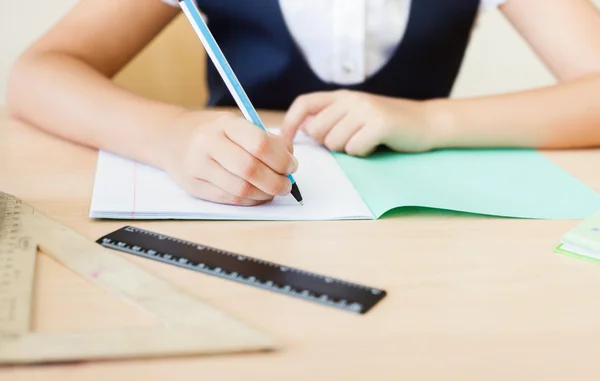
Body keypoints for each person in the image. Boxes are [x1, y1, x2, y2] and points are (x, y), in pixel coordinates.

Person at [7, 0, 600, 206]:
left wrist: (430, 119)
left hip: (415, 230)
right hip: (236, 215)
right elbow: (36, 75)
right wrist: (169, 136)